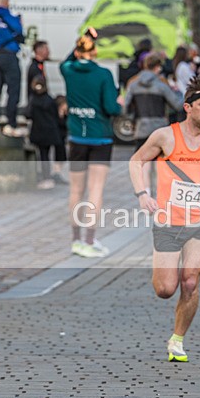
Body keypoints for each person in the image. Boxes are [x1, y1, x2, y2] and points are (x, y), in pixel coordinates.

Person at [129, 75, 200, 363]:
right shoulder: (165, 136)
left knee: (190, 282)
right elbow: (136, 161)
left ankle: (177, 340)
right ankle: (166, 279)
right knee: (165, 289)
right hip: (168, 221)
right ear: (188, 107)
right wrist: (142, 194)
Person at [61, 34, 122, 258]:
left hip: (77, 136)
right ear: (95, 52)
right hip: (100, 137)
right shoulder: (103, 74)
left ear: (77, 51)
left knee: (75, 190)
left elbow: (67, 60)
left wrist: (83, 38)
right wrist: (119, 104)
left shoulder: (68, 70)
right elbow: (111, 107)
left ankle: (75, 240)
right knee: (95, 190)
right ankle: (89, 240)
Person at [124, 52, 184, 189]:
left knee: (144, 164)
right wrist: (179, 92)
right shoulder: (161, 85)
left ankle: (146, 195)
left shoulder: (133, 84)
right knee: (160, 165)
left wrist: (132, 121)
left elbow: (126, 107)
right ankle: (160, 196)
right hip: (159, 129)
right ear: (158, 67)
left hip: (141, 128)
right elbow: (177, 105)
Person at [27, 41, 67, 185]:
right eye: (46, 48)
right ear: (38, 50)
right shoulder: (35, 68)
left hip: (40, 120)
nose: (49, 51)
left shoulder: (39, 66)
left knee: (44, 152)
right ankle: (48, 175)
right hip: (44, 120)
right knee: (48, 150)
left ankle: (47, 175)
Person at [0, 0, 25, 137]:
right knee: (13, 91)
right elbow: (19, 30)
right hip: (8, 56)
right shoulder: (8, 16)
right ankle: (11, 124)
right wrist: (19, 22)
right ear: (6, 3)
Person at [29, 76, 63, 190]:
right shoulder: (50, 100)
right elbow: (56, 116)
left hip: (38, 131)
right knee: (46, 156)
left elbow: (28, 114)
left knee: (40, 155)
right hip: (50, 131)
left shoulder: (33, 100)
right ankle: (47, 177)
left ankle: (43, 177)